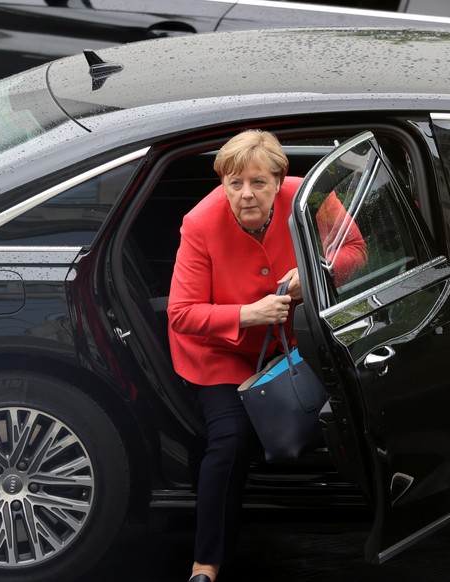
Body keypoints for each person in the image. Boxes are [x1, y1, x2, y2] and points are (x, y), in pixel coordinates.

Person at [167, 130, 366, 582]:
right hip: (220, 352)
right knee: (231, 440)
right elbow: (182, 314)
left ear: (280, 180)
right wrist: (247, 314)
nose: (245, 195)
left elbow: (356, 251)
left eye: (257, 182)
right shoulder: (199, 224)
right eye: (233, 184)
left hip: (295, 345)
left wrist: (316, 272)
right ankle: (206, 562)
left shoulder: (308, 195)